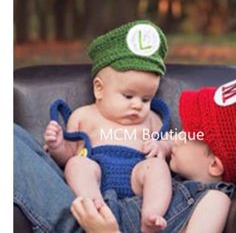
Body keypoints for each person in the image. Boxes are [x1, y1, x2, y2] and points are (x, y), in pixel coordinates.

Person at [44, 20, 172, 232]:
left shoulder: (152, 120)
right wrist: (58, 146)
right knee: (77, 165)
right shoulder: (84, 116)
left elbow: (170, 146)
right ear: (99, 89)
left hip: (136, 176)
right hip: (97, 175)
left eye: (146, 99)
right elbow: (70, 155)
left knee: (158, 168)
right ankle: (95, 209)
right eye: (128, 95)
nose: (137, 105)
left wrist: (163, 148)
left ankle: (151, 214)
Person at [70, 82, 236, 233]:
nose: (176, 137)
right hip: (98, 211)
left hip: (100, 227)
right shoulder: (180, 176)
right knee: (70, 163)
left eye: (187, 133)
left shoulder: (216, 200)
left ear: (214, 164)